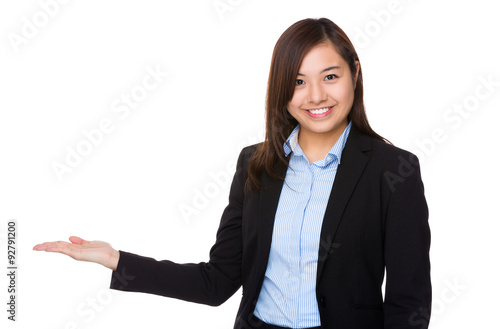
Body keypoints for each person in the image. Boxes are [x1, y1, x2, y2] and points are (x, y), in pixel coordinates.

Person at [33, 17, 431, 329]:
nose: (315, 96)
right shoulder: (254, 165)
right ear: (281, 88)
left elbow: (408, 302)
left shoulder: (393, 170)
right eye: (297, 81)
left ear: (354, 74)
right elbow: (217, 281)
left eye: (330, 76)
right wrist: (118, 259)